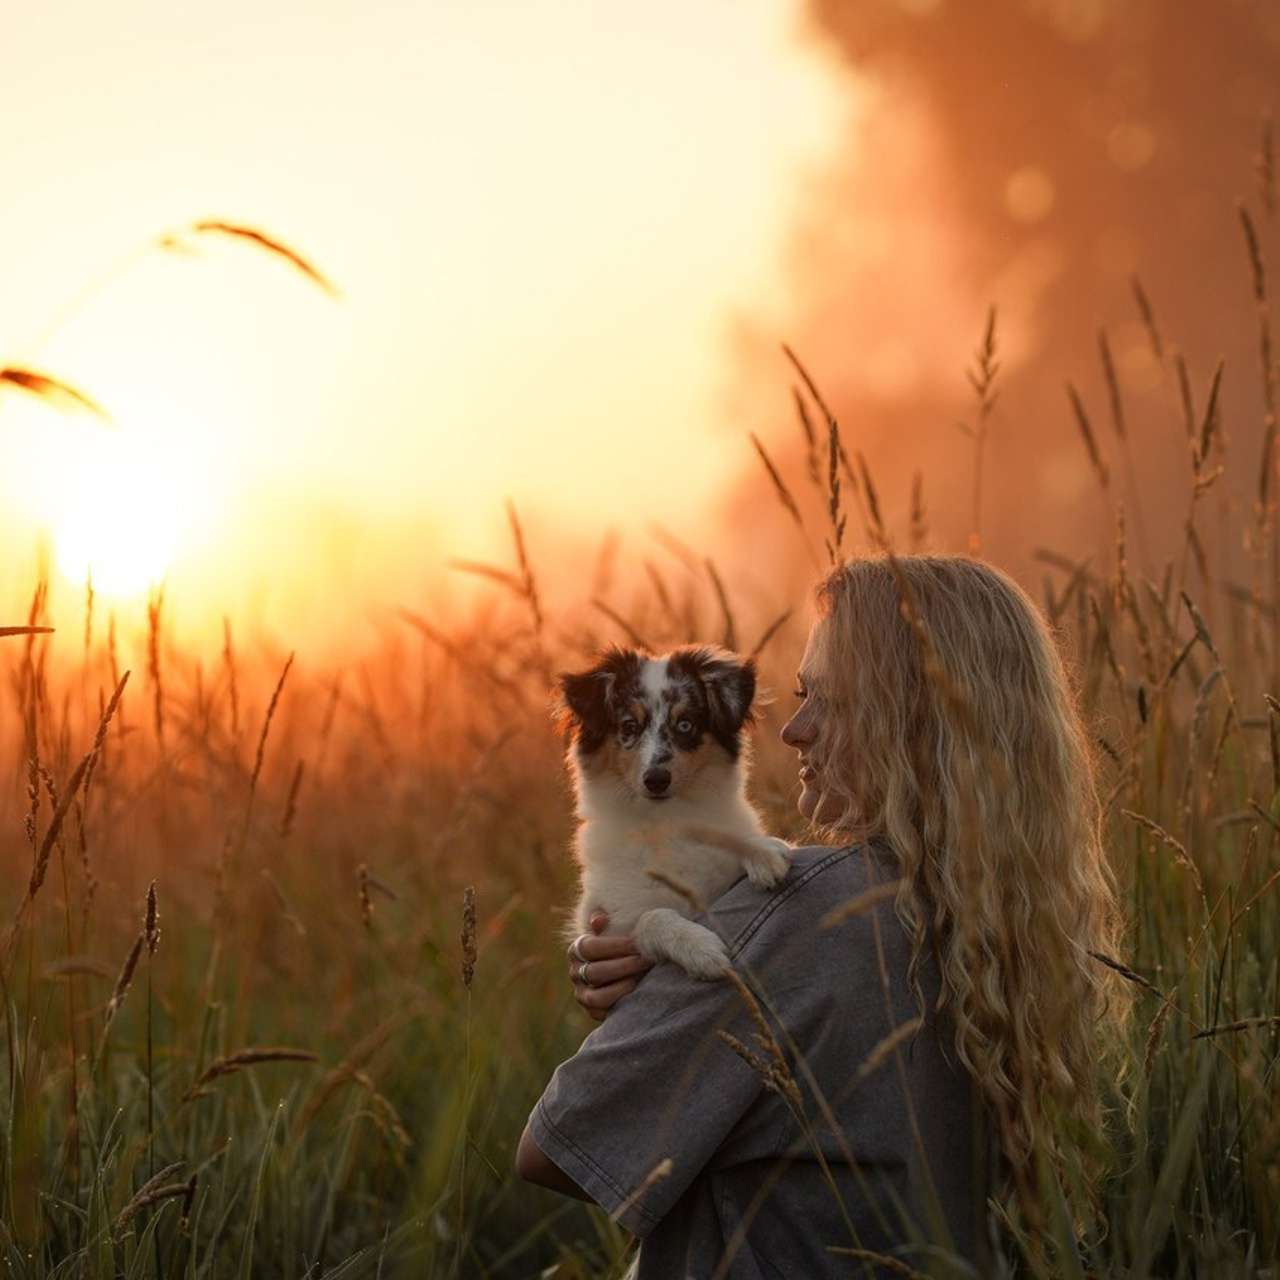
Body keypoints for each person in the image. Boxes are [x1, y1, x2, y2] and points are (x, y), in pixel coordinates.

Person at [517, 554, 1128, 1276]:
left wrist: (667, 996)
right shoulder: (1004, 931)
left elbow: (558, 1147)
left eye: (829, 702)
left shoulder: (800, 912)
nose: (792, 731)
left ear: (911, 721)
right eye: (801, 694)